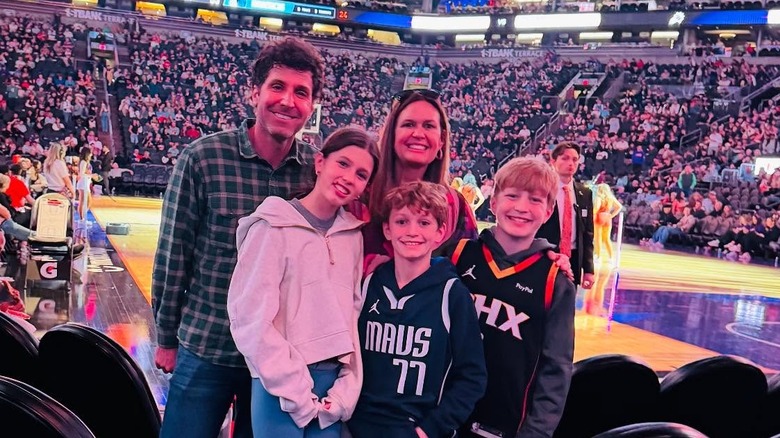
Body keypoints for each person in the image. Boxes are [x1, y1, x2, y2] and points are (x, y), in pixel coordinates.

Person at [152, 37, 325, 438]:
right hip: (206, 345)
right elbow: (172, 255)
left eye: (301, 93)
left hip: (275, 360)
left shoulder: (314, 174)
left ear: (312, 106)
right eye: (277, 87)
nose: (288, 101)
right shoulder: (202, 159)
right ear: (255, 93)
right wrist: (165, 339)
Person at [228, 127, 379, 438]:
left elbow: (351, 317)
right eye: (343, 164)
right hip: (279, 387)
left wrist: (346, 390)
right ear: (320, 162)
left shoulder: (353, 237)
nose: (349, 177)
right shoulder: (272, 226)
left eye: (361, 174)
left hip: (330, 390)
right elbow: (251, 321)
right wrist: (295, 390)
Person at [349, 181, 487, 438]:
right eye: (402, 222)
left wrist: (429, 430)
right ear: (387, 230)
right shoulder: (368, 284)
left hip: (415, 428)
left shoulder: (451, 294)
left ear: (440, 232)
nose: (412, 231)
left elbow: (472, 377)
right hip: (356, 427)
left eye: (424, 223)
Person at [450, 157, 575, 438]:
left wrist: (536, 432)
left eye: (534, 199)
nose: (521, 207)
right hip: (440, 415)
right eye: (512, 196)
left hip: (503, 425)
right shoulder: (457, 255)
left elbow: (555, 368)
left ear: (548, 211)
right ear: (493, 202)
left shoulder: (555, 279)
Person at [536, 142, 595, 288]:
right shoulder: (541, 188)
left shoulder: (584, 193)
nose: (571, 163)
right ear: (553, 161)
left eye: (575, 160)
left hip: (573, 259)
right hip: (544, 256)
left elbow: (588, 234)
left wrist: (589, 270)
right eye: (565, 158)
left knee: (566, 305)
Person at [592, 183, 623, 262]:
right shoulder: (610, 197)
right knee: (607, 239)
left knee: (597, 238)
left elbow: (596, 208)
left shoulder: (599, 197)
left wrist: (592, 214)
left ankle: (598, 256)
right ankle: (611, 257)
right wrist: (611, 215)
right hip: (607, 217)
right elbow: (619, 206)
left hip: (599, 217)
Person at [75, 147, 93, 224]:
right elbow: (82, 174)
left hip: (86, 183)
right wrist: (91, 175)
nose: (91, 155)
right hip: (83, 183)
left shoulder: (85, 162)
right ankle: (82, 218)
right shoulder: (83, 162)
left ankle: (83, 217)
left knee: (87, 201)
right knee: (83, 201)